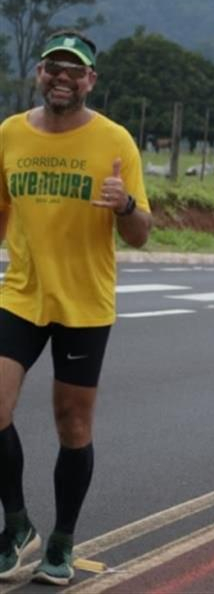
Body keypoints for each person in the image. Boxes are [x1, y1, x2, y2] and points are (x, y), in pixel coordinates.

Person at [0, 30, 152, 586]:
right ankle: (17, 526)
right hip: (20, 293)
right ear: (40, 73)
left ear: (91, 79)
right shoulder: (9, 134)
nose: (61, 77)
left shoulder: (115, 142)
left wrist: (126, 205)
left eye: (74, 70)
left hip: (85, 302)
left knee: (73, 423)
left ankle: (61, 541)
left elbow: (140, 234)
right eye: (52, 68)